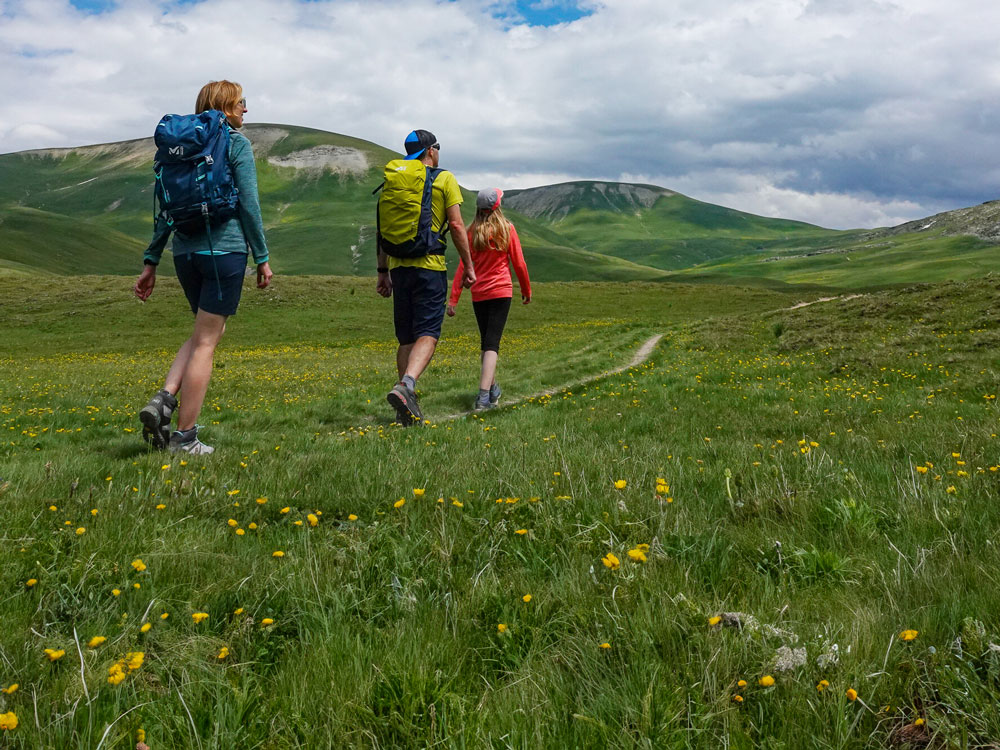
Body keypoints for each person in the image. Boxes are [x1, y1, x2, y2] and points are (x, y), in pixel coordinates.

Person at [133, 80, 272, 454]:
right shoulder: (234, 143)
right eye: (242, 102)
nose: (246, 109)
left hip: (184, 255)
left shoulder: (177, 151)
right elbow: (249, 205)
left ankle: (164, 398)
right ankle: (185, 437)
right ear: (226, 106)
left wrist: (150, 261)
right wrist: (261, 256)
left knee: (200, 335)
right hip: (224, 252)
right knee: (208, 342)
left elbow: (164, 212)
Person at [376, 129, 475, 424]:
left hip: (398, 267)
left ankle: (405, 408)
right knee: (428, 333)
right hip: (429, 266)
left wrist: (382, 272)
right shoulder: (444, 178)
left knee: (405, 337)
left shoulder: (392, 183)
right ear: (430, 152)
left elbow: (382, 231)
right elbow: (456, 226)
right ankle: (407, 386)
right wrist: (469, 266)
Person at [446, 188, 531, 410]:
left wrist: (454, 299)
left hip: (479, 294)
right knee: (492, 344)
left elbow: (463, 268)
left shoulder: (471, 233)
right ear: (497, 207)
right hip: (501, 292)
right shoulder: (507, 229)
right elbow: (519, 263)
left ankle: (492, 389)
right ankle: (483, 397)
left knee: (486, 342)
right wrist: (526, 289)